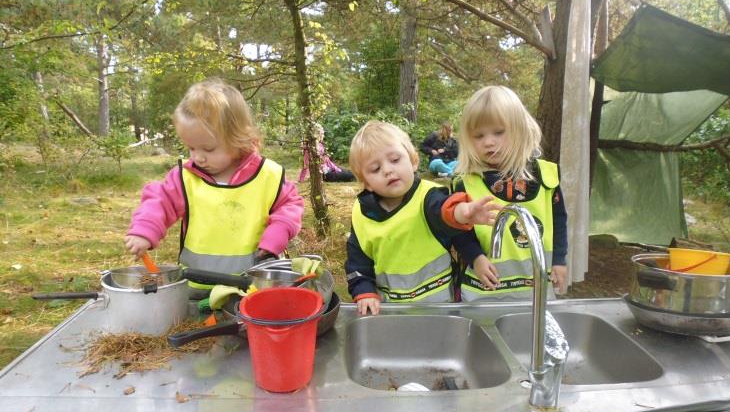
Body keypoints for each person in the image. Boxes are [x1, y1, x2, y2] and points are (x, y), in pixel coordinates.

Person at [125, 78, 304, 297]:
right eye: (191, 148)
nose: (198, 157)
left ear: (239, 139)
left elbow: (290, 207)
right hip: (198, 286)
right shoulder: (185, 178)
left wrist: (277, 235)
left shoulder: (269, 175)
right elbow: (158, 202)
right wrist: (144, 230)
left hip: (254, 288)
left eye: (208, 149)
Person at [344, 120, 502, 315]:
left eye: (395, 160)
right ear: (366, 183)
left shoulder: (429, 195)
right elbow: (357, 261)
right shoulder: (362, 213)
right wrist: (364, 291)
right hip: (390, 310)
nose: (387, 170)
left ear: (413, 161)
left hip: (439, 306)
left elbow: (445, 211)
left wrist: (464, 212)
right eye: (375, 169)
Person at [451, 85, 568, 301]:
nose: (488, 142)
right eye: (478, 135)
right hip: (483, 292)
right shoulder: (465, 182)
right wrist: (475, 257)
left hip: (535, 291)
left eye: (499, 132)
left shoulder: (546, 176)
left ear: (519, 129)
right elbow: (458, 231)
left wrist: (559, 260)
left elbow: (558, 221)